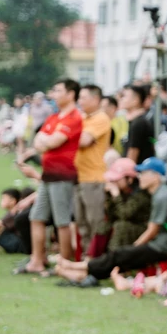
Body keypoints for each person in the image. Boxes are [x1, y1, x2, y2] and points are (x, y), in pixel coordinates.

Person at [53, 157, 167, 286]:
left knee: (123, 254)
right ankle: (82, 271)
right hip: (160, 243)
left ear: (156, 176)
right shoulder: (159, 193)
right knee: (121, 254)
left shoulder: (162, 196)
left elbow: (151, 230)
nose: (140, 177)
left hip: (165, 246)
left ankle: (80, 269)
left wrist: (135, 247)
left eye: (143, 173)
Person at [20, 79, 84, 274]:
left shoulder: (74, 118)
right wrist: (45, 141)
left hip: (63, 175)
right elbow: (39, 140)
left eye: (58, 90)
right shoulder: (54, 117)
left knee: (62, 221)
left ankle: (64, 264)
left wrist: (45, 141)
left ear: (71, 94)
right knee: (36, 217)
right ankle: (36, 260)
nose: (54, 94)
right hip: (48, 175)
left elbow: (53, 142)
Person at [74, 84, 111, 257]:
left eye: (83, 97)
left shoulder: (101, 118)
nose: (79, 101)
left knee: (95, 222)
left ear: (96, 99)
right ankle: (86, 259)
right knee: (81, 223)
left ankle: (96, 260)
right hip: (79, 177)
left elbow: (83, 141)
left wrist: (70, 135)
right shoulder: (82, 118)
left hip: (94, 179)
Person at [104, 158, 152, 251]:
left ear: (129, 179)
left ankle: (113, 259)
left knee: (121, 226)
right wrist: (109, 197)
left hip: (143, 228)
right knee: (103, 226)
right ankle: (97, 258)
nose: (114, 181)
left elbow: (124, 214)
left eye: (117, 178)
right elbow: (111, 216)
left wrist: (116, 195)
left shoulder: (140, 193)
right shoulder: (122, 191)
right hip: (128, 225)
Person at [120, 84, 155, 164]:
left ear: (135, 100)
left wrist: (128, 173)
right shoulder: (135, 121)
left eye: (124, 96)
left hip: (137, 172)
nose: (121, 99)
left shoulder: (138, 123)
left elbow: (132, 154)